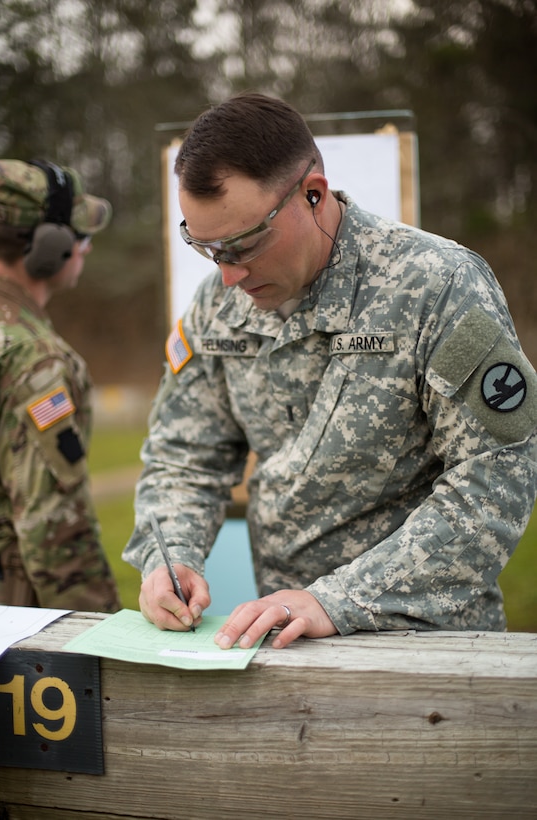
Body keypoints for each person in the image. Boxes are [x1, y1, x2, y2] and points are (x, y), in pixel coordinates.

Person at [123, 92, 536, 649]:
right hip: (280, 648)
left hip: (424, 646)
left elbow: (495, 478)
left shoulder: (436, 285)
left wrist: (340, 599)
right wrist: (167, 558)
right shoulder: (216, 307)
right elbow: (182, 457)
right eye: (206, 248)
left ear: (312, 194)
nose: (228, 274)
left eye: (243, 244)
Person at [0, 158, 121, 611]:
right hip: (6, 626)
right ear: (50, 246)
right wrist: (100, 638)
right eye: (78, 235)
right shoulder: (31, 358)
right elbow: (54, 527)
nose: (85, 248)